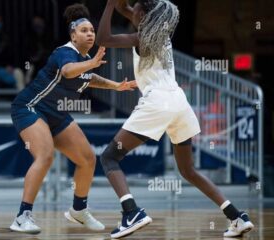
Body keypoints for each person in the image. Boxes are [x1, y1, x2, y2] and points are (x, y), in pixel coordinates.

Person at [96, 0, 254, 238]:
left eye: (135, 8)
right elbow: (125, 9)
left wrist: (108, 5)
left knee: (110, 157)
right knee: (188, 170)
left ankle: (131, 213)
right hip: (179, 103)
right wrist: (120, 5)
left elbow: (103, 40)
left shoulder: (140, 38)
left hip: (157, 103)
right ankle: (237, 216)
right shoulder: (160, 34)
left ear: (143, 15)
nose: (132, 11)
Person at [9, 3, 137, 234]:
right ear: (73, 35)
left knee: (87, 158)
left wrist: (116, 86)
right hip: (30, 107)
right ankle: (22, 216)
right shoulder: (65, 52)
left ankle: (78, 210)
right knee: (45, 155)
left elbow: (89, 77)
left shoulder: (85, 59)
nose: (90, 34)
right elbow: (69, 71)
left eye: (92, 31)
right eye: (84, 31)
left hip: (56, 113)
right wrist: (91, 63)